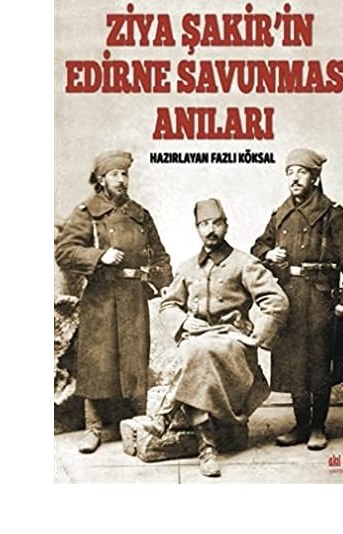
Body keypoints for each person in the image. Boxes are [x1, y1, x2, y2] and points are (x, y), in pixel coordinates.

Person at [143, 198, 289, 477]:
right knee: (196, 351)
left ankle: (167, 415)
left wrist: (256, 336)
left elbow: (276, 301)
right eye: (204, 224)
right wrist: (184, 321)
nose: (210, 230)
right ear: (197, 229)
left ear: (226, 226)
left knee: (195, 353)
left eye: (216, 223)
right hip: (198, 336)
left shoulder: (245, 263)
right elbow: (169, 304)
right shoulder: (187, 267)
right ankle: (206, 445)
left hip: (231, 340)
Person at [55, 150, 173, 453]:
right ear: (101, 179)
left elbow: (161, 256)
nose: (121, 180)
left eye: (125, 174)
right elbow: (64, 251)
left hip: (133, 297)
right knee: (97, 362)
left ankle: (137, 425)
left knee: (134, 359)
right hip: (101, 297)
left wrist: (162, 283)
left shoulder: (140, 214)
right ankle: (93, 428)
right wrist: (99, 256)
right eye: (114, 174)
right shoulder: (87, 212)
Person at [251, 148, 343, 451]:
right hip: (288, 298)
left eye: (301, 172)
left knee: (319, 363)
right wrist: (269, 253)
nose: (294, 178)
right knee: (293, 363)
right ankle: (301, 425)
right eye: (290, 172)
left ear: (315, 178)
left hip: (320, 300)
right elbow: (258, 247)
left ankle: (318, 427)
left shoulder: (333, 214)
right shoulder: (280, 214)